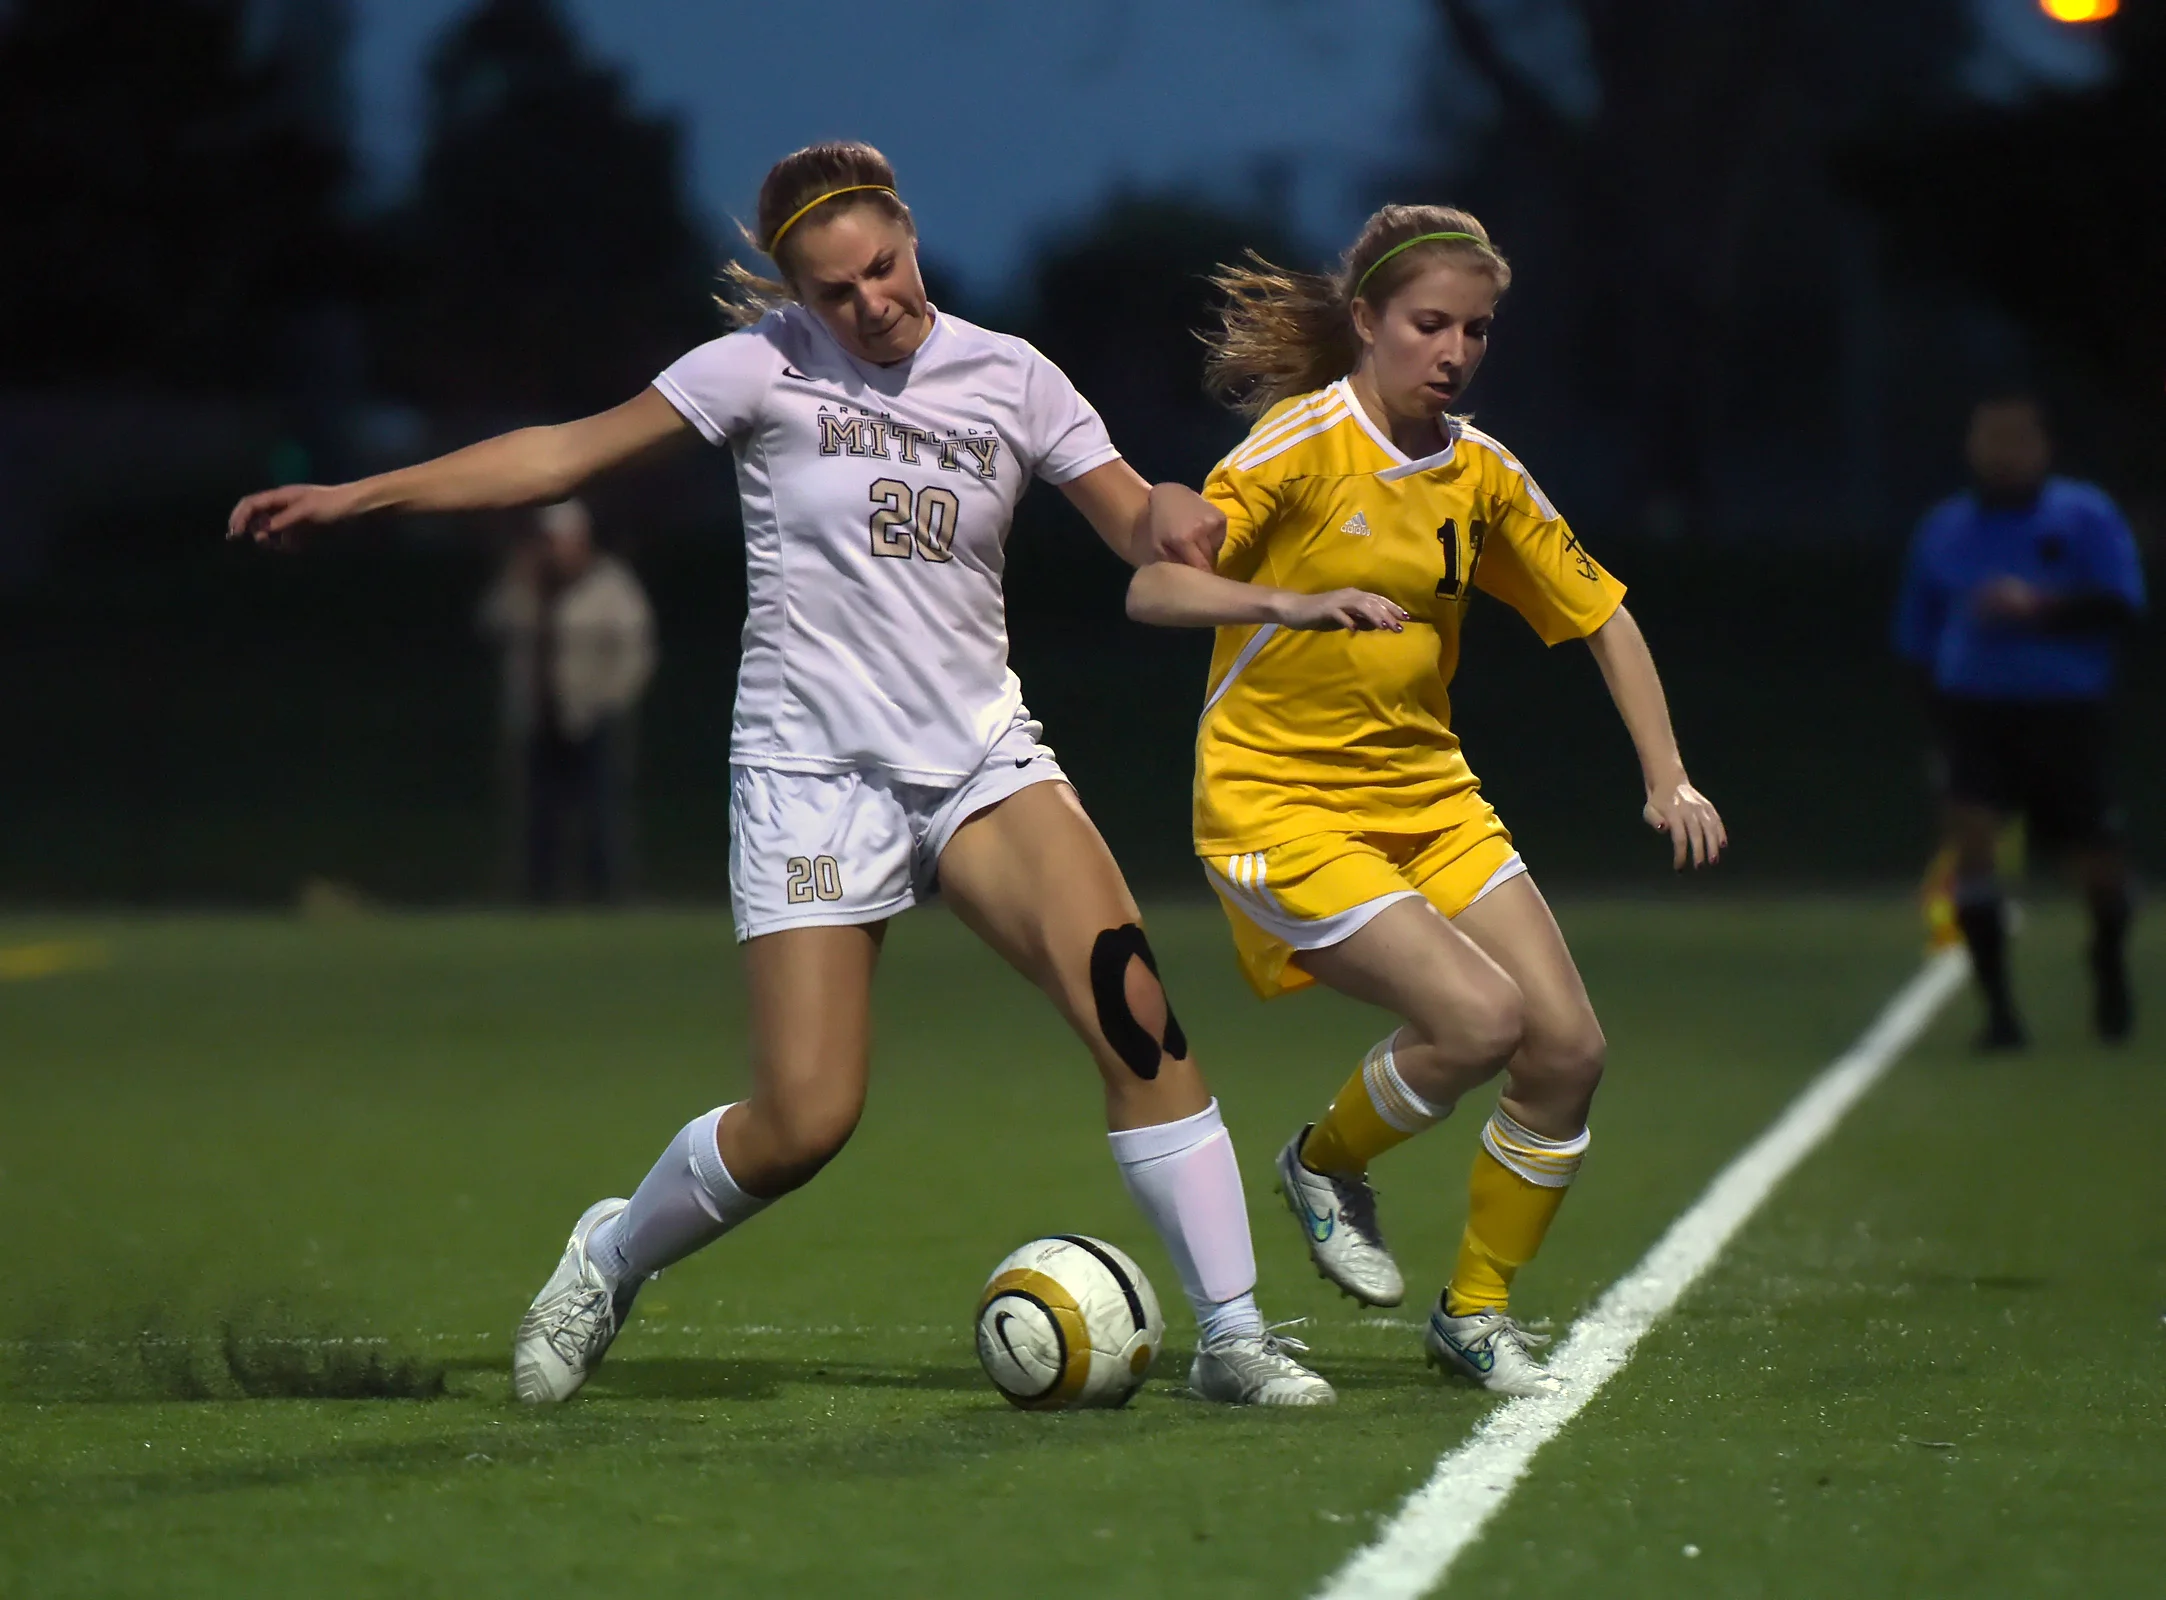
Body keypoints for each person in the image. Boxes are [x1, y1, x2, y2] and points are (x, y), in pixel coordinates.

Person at [229, 141, 1333, 1408]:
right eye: (834, 292)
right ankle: (607, 1253)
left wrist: (1175, 509)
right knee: (805, 1119)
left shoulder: (1014, 376)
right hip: (811, 775)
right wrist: (366, 494)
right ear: (794, 295)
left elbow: (1134, 519)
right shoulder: (755, 369)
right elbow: (562, 457)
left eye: (882, 268)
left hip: (978, 759)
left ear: (912, 234)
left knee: (1134, 1011)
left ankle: (1234, 1336)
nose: (870, 303)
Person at [1125, 207, 1726, 1396]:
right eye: (1429, 324)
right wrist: (1288, 603)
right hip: (1277, 803)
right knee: (1480, 1021)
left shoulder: (1481, 470)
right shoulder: (1297, 445)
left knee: (1567, 1051)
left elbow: (1602, 612)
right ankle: (1321, 1164)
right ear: (1366, 321)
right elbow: (1153, 591)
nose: (1453, 351)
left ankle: (1477, 1313)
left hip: (1429, 796)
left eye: (1478, 330)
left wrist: (1668, 773)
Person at [1894, 394, 2145, 1048]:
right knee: (1973, 844)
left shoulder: (2084, 515)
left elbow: (2122, 605)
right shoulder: (1944, 528)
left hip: (2065, 713)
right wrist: (1937, 728)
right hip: (1975, 712)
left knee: (2096, 862)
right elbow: (1916, 639)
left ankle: (2109, 967)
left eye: (2015, 441)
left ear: (2042, 448)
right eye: (1989, 441)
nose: (2002, 456)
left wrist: (2040, 608)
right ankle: (2000, 1013)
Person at [478, 499, 656, 903]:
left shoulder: (609, 583)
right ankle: (538, 896)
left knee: (601, 812)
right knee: (538, 815)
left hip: (593, 715)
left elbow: (636, 649)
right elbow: (491, 623)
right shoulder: (527, 586)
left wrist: (612, 699)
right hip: (538, 718)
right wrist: (517, 582)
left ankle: (606, 897)